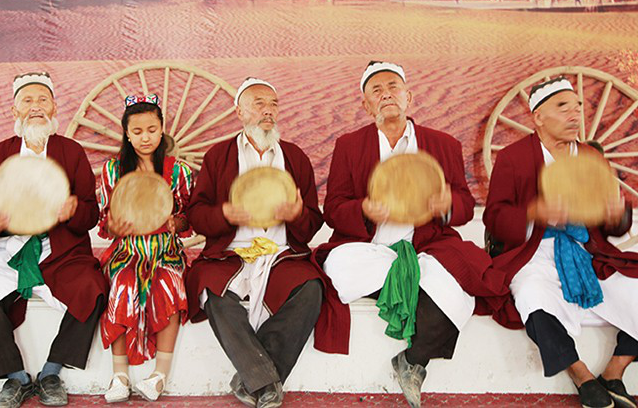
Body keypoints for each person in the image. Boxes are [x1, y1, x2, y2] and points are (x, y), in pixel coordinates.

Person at [317, 61, 507, 408]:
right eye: (376, 90)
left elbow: (465, 205)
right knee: (338, 267)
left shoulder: (443, 144)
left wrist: (447, 204)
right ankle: (414, 288)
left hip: (426, 248)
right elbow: (333, 208)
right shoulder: (349, 145)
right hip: (369, 249)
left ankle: (413, 361)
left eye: (393, 87)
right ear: (366, 105)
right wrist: (364, 209)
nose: (386, 94)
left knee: (461, 288)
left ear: (409, 97)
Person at [482, 76, 638, 408]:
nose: (574, 114)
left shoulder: (591, 157)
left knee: (634, 287)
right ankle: (582, 377)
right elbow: (494, 218)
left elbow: (613, 226)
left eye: (578, 106)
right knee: (532, 296)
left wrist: (616, 214)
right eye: (563, 106)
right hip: (533, 253)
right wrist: (533, 212)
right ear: (538, 116)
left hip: (587, 251)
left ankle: (614, 372)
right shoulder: (513, 158)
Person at [0, 72, 106, 408]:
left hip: (59, 247)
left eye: (43, 100)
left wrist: (73, 209)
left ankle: (51, 372)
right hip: (9, 246)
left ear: (54, 107)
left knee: (93, 287)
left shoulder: (71, 152)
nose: (36, 107)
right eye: (27, 100)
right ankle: (16, 378)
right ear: (14, 110)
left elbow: (91, 213)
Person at [185, 78, 324, 408]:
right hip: (230, 253)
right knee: (212, 291)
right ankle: (266, 382)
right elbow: (196, 214)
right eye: (259, 103)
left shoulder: (295, 157)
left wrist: (296, 214)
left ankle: (252, 379)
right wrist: (225, 214)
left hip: (281, 254)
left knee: (311, 289)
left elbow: (312, 222)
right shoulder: (219, 156)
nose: (268, 111)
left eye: (274, 104)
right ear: (239, 111)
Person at [99, 94, 193, 403]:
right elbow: (105, 223)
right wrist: (115, 226)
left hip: (166, 250)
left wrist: (175, 223)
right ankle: (120, 376)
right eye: (137, 131)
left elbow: (188, 217)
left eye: (152, 130)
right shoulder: (113, 170)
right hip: (127, 250)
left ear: (162, 129)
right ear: (126, 133)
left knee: (168, 284)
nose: (145, 137)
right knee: (123, 285)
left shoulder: (178, 171)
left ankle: (159, 376)